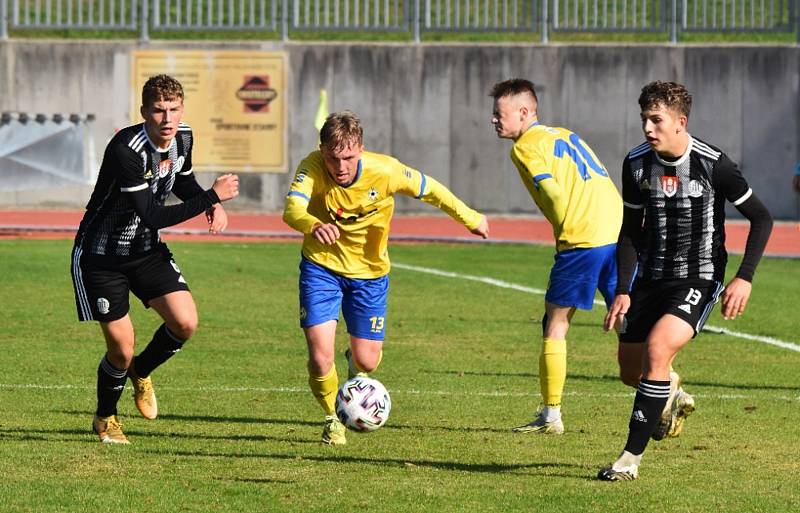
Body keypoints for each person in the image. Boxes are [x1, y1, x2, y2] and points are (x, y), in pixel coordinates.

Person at [597, 81, 773, 481]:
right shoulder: (636, 163)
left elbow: (761, 218)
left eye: (656, 119)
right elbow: (630, 230)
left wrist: (744, 278)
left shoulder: (715, 165)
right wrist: (623, 288)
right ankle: (670, 392)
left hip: (699, 276)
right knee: (631, 372)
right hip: (650, 278)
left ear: (681, 122)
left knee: (658, 349)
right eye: (644, 118)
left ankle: (628, 461)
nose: (647, 127)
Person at [283, 111, 489, 445]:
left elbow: (431, 189)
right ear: (322, 151)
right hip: (322, 268)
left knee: (367, 361)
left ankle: (354, 367)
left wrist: (469, 217)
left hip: (370, 275)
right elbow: (292, 208)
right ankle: (332, 418)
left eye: (348, 157)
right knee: (320, 355)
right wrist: (313, 224)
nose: (341, 166)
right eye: (333, 158)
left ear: (361, 149)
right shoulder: (312, 166)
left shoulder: (387, 171)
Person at [71, 74, 239, 444]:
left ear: (182, 109)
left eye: (174, 110)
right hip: (103, 256)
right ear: (144, 111)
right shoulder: (126, 149)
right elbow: (153, 214)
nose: (167, 119)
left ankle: (142, 372)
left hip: (146, 250)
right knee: (121, 347)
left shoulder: (183, 137)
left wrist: (208, 201)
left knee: (185, 323)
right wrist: (212, 196)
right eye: (159, 111)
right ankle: (106, 419)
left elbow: (181, 181)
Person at [490, 79, 623, 434]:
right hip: (615, 228)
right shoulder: (563, 134)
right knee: (625, 312)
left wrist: (564, 225)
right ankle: (667, 384)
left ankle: (551, 416)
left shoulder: (524, 148)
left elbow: (552, 191)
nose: (493, 120)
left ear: (523, 112)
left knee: (556, 322)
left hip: (582, 237)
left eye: (498, 113)